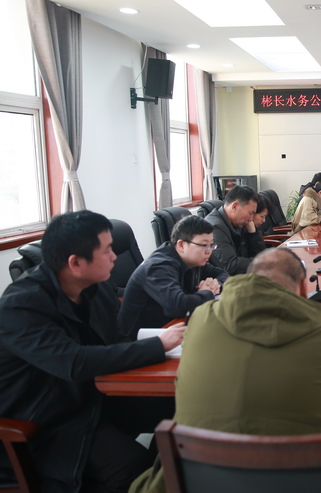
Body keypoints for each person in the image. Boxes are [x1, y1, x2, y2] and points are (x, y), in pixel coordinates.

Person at [130, 248, 321, 493]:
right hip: (320, 481)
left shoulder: (201, 318)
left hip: (202, 480)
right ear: (303, 289)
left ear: (249, 279)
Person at [0, 211, 185, 493]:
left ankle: (169, 473)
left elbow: (115, 340)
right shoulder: (21, 306)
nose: (114, 257)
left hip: (92, 396)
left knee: (180, 406)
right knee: (134, 468)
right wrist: (157, 346)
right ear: (75, 263)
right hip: (46, 420)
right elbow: (74, 362)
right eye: (107, 250)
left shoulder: (96, 288)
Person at [118, 215, 229, 339]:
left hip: (174, 325)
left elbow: (223, 274)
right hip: (143, 338)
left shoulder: (194, 259)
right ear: (181, 245)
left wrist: (216, 283)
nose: (209, 251)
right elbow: (177, 305)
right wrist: (207, 293)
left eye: (211, 245)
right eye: (204, 245)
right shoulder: (159, 266)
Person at [205, 185, 263, 275]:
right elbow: (230, 266)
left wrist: (252, 233)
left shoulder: (240, 222)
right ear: (234, 206)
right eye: (250, 213)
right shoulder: (214, 228)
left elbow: (260, 254)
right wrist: (262, 262)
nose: (251, 219)